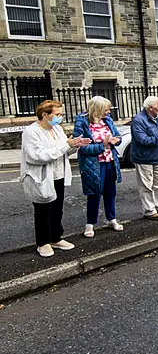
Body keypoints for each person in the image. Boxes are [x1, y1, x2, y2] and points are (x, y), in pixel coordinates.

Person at [20, 100, 91, 257]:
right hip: (42, 177)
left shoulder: (57, 129)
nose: (60, 118)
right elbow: (36, 156)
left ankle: (55, 238)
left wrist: (76, 145)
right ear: (45, 115)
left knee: (57, 208)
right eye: (57, 114)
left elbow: (63, 151)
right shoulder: (31, 132)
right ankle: (43, 243)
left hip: (59, 175)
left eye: (61, 114)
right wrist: (67, 145)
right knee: (43, 210)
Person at [74, 96, 124, 238]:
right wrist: (101, 146)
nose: (109, 112)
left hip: (110, 161)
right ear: (97, 109)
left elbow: (118, 136)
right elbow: (81, 147)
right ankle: (90, 224)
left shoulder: (107, 121)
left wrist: (115, 140)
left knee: (110, 192)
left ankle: (111, 219)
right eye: (106, 109)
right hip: (93, 164)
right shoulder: (82, 122)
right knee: (94, 194)